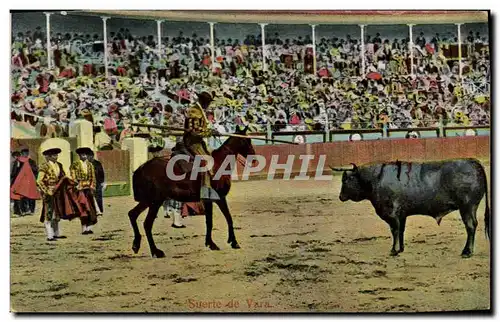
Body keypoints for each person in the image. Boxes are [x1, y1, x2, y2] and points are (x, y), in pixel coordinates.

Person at [183, 91, 220, 200]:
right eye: (208, 102)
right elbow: (194, 131)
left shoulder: (199, 110)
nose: (208, 104)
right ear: (203, 101)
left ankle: (208, 187)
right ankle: (204, 190)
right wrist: (209, 133)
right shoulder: (194, 111)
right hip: (192, 142)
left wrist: (211, 131)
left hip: (198, 142)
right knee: (205, 161)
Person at [36, 147, 67, 241]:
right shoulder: (44, 166)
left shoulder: (59, 165)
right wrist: (46, 191)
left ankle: (57, 233)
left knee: (57, 213)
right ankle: (50, 235)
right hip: (49, 193)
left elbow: (63, 178)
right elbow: (39, 181)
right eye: (54, 155)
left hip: (57, 193)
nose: (56, 156)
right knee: (48, 213)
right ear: (49, 157)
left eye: (56, 155)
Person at [70, 146, 98, 235]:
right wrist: (77, 185)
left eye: (85, 154)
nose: (84, 156)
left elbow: (93, 177)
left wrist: (93, 186)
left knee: (91, 209)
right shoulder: (75, 165)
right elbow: (73, 176)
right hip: (80, 189)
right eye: (82, 154)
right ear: (79, 155)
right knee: (83, 209)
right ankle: (83, 228)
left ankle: (89, 228)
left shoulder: (90, 165)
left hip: (88, 189)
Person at [11, 146, 39, 216]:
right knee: (22, 196)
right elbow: (14, 172)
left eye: (26, 153)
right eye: (24, 153)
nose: (25, 154)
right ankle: (23, 210)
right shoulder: (18, 161)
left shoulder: (31, 161)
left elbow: (36, 170)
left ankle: (31, 210)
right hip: (21, 181)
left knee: (31, 195)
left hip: (30, 181)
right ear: (22, 153)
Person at [88, 150, 105, 216]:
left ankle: (100, 211)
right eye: (88, 156)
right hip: (90, 183)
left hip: (98, 182)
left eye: (90, 156)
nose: (89, 157)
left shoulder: (97, 163)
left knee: (98, 197)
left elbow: (101, 172)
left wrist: (102, 182)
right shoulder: (87, 164)